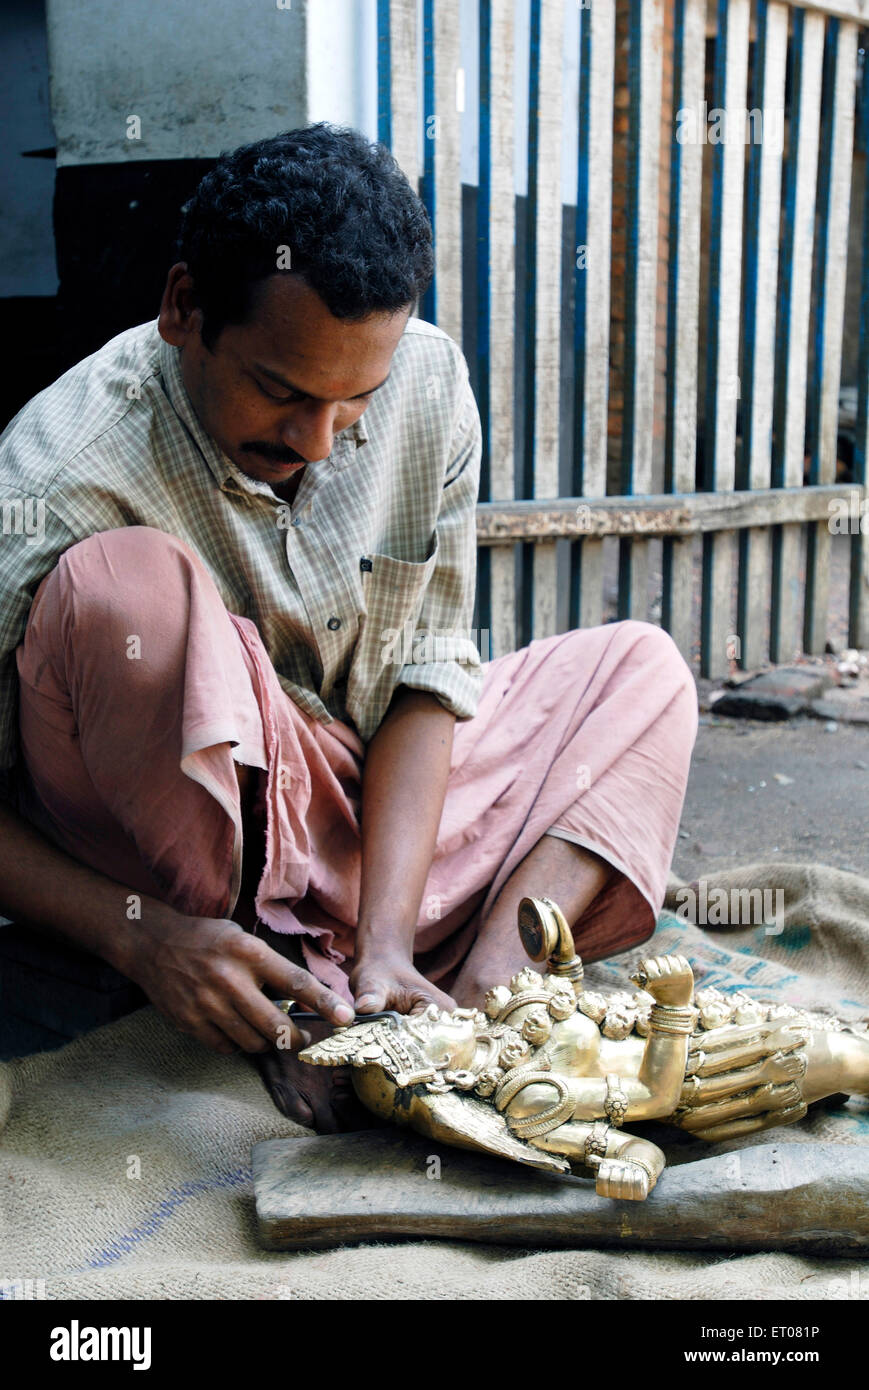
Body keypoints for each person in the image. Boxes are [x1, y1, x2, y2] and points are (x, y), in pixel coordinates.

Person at [0, 124, 698, 1131]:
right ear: (183, 307)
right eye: (281, 393)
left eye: (353, 403)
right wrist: (140, 937)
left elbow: (426, 676)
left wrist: (384, 946)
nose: (316, 441)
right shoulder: (58, 468)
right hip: (181, 864)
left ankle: (471, 1002)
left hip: (375, 829)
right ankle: (274, 981)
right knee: (124, 594)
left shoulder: (426, 384)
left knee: (641, 670)